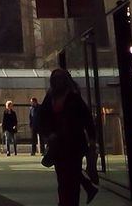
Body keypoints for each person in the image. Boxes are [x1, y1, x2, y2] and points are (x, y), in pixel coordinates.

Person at [37, 68, 98, 206]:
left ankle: (71, 201)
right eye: (55, 79)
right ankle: (68, 200)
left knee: (72, 178)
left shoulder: (73, 97)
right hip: (58, 144)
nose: (58, 82)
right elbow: (42, 118)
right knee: (64, 178)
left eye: (60, 79)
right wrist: (48, 134)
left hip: (74, 143)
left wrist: (92, 139)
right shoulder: (50, 98)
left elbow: (86, 118)